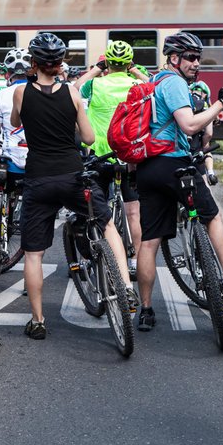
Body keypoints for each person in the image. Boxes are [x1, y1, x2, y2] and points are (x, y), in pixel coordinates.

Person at [10, 32, 138, 340]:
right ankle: (126, 286)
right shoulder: (71, 93)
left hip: (39, 179)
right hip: (73, 175)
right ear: (60, 64)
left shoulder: (20, 93)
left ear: (34, 62)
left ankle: (38, 321)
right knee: (107, 224)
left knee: (34, 254)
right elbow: (90, 138)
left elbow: (16, 120)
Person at [134, 32, 223, 332]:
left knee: (149, 241)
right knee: (213, 216)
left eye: (198, 57)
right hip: (174, 164)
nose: (197, 63)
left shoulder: (152, 82)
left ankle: (145, 311)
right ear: (173, 58)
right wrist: (221, 102)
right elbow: (189, 124)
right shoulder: (174, 83)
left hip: (147, 167)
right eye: (191, 57)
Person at [74, 40, 149, 274]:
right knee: (134, 212)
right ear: (128, 63)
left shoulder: (95, 85)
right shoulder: (138, 83)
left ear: (107, 62)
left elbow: (75, 87)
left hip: (100, 155)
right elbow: (155, 85)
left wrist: (97, 67)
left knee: (98, 210)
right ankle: (135, 261)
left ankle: (96, 255)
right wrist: (135, 69)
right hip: (130, 156)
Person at [0, 48, 31, 238]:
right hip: (37, 167)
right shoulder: (43, 93)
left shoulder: (1, 96)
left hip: (10, 165)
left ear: (8, 73)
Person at [187, 81, 218, 185]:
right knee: (206, 149)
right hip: (196, 148)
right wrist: (205, 143)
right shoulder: (205, 105)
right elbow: (209, 133)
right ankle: (210, 173)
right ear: (205, 94)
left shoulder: (185, 102)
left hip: (180, 149)